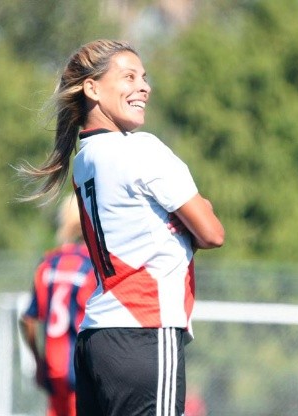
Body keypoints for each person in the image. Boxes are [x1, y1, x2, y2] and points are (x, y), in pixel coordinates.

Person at [20, 39, 225, 416]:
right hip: (145, 330)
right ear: (92, 88)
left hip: (95, 339)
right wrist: (197, 216)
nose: (144, 86)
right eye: (128, 76)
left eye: (144, 78)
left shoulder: (85, 160)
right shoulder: (142, 149)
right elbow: (212, 232)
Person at [20, 196, 97, 416]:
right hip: (84, 374)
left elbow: (28, 320)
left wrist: (38, 359)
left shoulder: (48, 264)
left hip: (54, 370)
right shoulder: (93, 265)